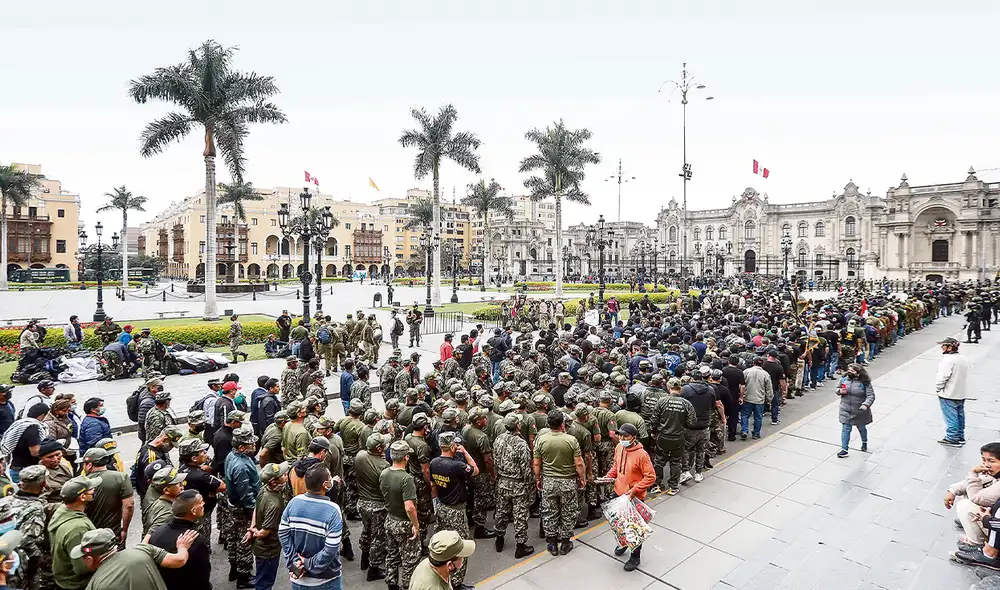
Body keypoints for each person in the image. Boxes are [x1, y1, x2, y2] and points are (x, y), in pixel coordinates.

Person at [278, 464, 344, 590]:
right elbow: (330, 549)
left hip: (299, 579)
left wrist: (295, 562)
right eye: (330, 477)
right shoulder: (333, 510)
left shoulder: (293, 503)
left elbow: (283, 534)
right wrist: (308, 564)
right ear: (325, 484)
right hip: (327, 581)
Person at [428, 431, 479, 590]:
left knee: (445, 544)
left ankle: (445, 576)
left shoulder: (434, 463)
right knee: (459, 546)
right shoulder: (456, 465)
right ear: (452, 446)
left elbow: (433, 486)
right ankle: (456, 584)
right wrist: (465, 452)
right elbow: (475, 470)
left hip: (442, 508)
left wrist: (436, 506)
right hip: (456, 510)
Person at [73, 527, 198, 590]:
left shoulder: (96, 585)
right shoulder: (142, 550)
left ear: (89, 559)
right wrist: (182, 547)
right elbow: (179, 560)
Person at [603, 422, 655, 571]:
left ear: (634, 437)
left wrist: (635, 490)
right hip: (618, 493)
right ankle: (623, 543)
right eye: (620, 435)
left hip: (633, 497)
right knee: (618, 524)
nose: (622, 438)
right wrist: (608, 477)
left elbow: (650, 477)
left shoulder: (642, 455)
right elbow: (616, 466)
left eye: (626, 436)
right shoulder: (619, 447)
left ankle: (635, 557)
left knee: (634, 528)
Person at [533, 410, 585, 556]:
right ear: (562, 423)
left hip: (549, 481)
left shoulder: (541, 440)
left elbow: (537, 464)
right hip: (567, 481)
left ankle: (552, 543)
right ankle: (565, 542)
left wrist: (538, 479)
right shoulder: (571, 440)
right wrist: (582, 478)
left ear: (548, 423)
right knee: (568, 512)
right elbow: (579, 463)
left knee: (550, 512)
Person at [147, 490, 212, 590]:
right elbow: (202, 575)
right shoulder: (195, 539)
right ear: (193, 511)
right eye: (200, 502)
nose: (203, 503)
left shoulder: (157, 533)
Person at [492, 413, 535, 558]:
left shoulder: (499, 439)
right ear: (517, 425)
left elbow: (495, 460)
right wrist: (530, 485)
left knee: (501, 512)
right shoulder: (521, 444)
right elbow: (526, 468)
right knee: (520, 515)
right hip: (518, 485)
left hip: (503, 481)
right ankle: (520, 546)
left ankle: (499, 539)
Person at [0, 465, 49, 590]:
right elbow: (28, 542)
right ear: (43, 484)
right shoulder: (36, 509)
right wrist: (37, 562)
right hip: (17, 564)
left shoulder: (5, 501)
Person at [381, 440, 421, 590]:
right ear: (405, 457)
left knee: (391, 555)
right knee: (410, 560)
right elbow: (410, 507)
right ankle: (407, 586)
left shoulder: (384, 473)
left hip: (390, 519)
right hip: (404, 523)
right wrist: (416, 525)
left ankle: (391, 584)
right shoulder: (406, 478)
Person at [49, 475, 100, 590]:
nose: (94, 491)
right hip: (77, 585)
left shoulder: (62, 511)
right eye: (91, 490)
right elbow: (82, 567)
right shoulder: (78, 529)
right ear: (82, 497)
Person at [224, 427, 261, 588]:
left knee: (233, 538)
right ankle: (243, 577)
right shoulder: (242, 466)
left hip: (234, 505)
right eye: (250, 444)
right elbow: (246, 493)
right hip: (243, 509)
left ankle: (234, 569)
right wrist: (254, 511)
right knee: (245, 540)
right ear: (241, 447)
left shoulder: (232, 456)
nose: (254, 446)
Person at [945, 443, 1000, 549]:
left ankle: (977, 544)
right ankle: (972, 524)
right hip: (993, 521)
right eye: (984, 460)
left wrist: (973, 472)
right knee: (970, 487)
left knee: (965, 504)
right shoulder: (995, 473)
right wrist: (952, 490)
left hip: (996, 526)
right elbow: (979, 480)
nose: (986, 465)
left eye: (991, 461)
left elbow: (975, 497)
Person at [80, 447, 135, 549]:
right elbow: (129, 506)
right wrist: (124, 530)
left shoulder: (80, 482)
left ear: (89, 465)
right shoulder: (122, 477)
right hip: (113, 533)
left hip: (89, 535)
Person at [355, 433, 389, 582]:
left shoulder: (360, 456)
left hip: (362, 503)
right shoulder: (384, 466)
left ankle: (364, 558)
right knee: (378, 538)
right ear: (380, 448)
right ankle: (373, 569)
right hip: (378, 506)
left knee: (366, 530)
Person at [177, 438, 226, 544]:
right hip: (201, 514)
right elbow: (222, 486)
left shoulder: (181, 470)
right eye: (201, 452)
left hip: (187, 512)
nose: (205, 453)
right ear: (194, 458)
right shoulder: (201, 476)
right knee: (202, 540)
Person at [250, 461, 290, 590]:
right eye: (283, 475)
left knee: (261, 578)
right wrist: (256, 532)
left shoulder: (264, 489)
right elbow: (265, 532)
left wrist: (252, 529)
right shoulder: (274, 503)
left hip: (261, 547)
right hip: (269, 549)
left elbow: (256, 509)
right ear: (274, 482)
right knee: (265, 583)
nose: (286, 475)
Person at [408, 530, 476, 590]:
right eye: (461, 556)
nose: (463, 558)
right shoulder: (434, 587)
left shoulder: (430, 563)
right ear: (449, 565)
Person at [936, 337, 971, 446]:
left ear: (950, 347)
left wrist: (938, 388)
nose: (942, 348)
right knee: (959, 415)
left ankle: (952, 437)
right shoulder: (963, 358)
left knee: (951, 417)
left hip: (949, 393)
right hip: (960, 392)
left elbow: (942, 377)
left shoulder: (947, 360)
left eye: (943, 346)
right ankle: (960, 435)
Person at [2, 402, 48, 483]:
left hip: (15, 466)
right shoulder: (33, 428)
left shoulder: (20, 424)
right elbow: (35, 452)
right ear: (42, 415)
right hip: (26, 470)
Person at [836, 363, 875, 458]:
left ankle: (864, 441)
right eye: (849, 370)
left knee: (861, 428)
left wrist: (866, 404)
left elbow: (871, 395)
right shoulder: (844, 379)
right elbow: (837, 388)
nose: (849, 372)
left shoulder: (864, 383)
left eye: (852, 371)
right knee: (846, 429)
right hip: (845, 409)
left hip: (860, 411)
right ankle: (844, 449)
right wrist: (839, 391)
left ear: (858, 373)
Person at [741, 358, 774, 440]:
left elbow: (741, 385)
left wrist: (741, 396)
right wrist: (769, 399)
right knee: (758, 417)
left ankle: (744, 430)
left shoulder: (746, 372)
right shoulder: (765, 374)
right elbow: (769, 388)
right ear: (762, 365)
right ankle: (756, 433)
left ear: (753, 363)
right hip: (759, 400)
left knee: (745, 415)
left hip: (747, 398)